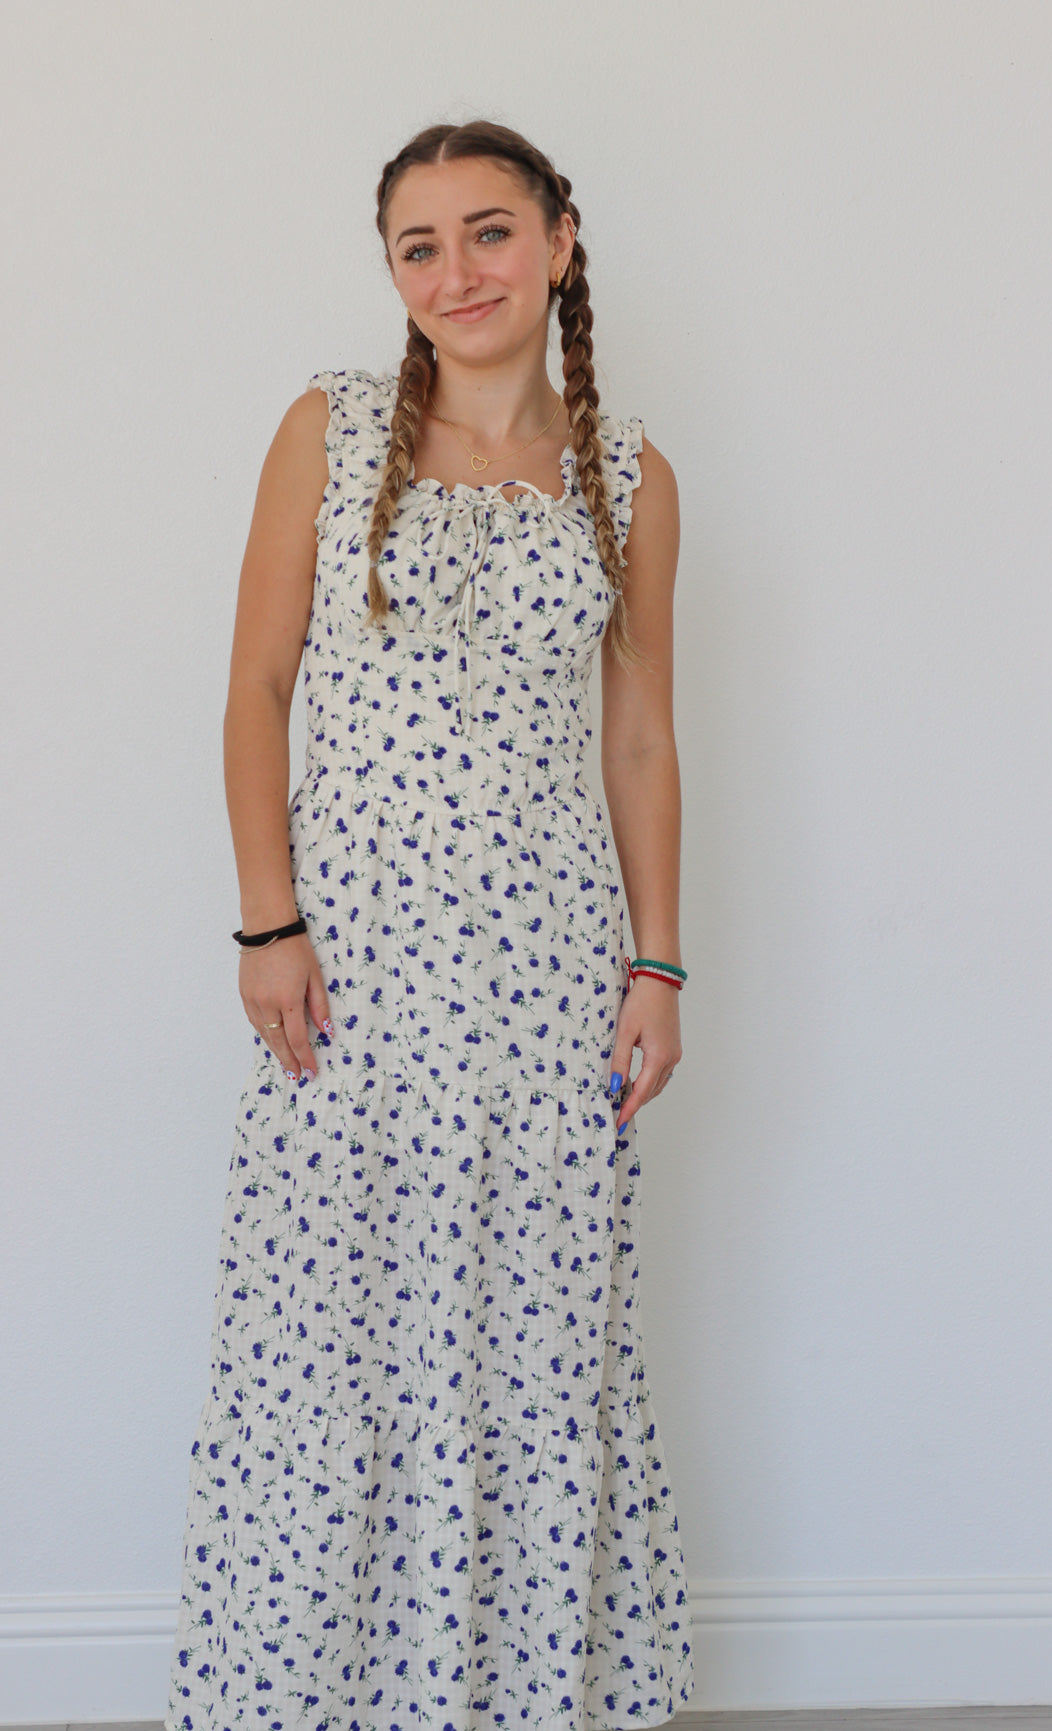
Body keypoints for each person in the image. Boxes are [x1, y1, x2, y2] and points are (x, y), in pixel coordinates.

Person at [166, 119, 693, 1731]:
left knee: (534, 1344)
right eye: (419, 244)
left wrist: (656, 964)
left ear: (560, 242)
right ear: (390, 272)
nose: (456, 271)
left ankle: (516, 1698)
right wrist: (270, 925)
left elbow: (640, 735)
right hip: (362, 972)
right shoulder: (328, 431)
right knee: (333, 1341)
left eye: (488, 232)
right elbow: (258, 687)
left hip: (546, 982)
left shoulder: (630, 477)